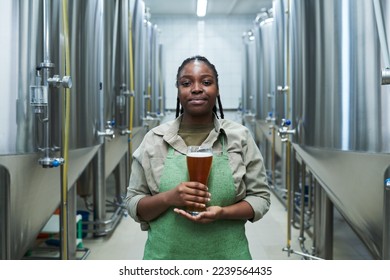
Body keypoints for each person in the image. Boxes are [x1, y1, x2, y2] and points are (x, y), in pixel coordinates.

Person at [125, 55, 271, 260]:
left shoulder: (239, 137)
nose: (196, 88)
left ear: (217, 89)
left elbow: (260, 198)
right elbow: (133, 203)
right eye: (186, 83)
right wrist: (169, 198)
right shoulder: (154, 140)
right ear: (178, 91)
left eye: (206, 82)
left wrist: (223, 213)